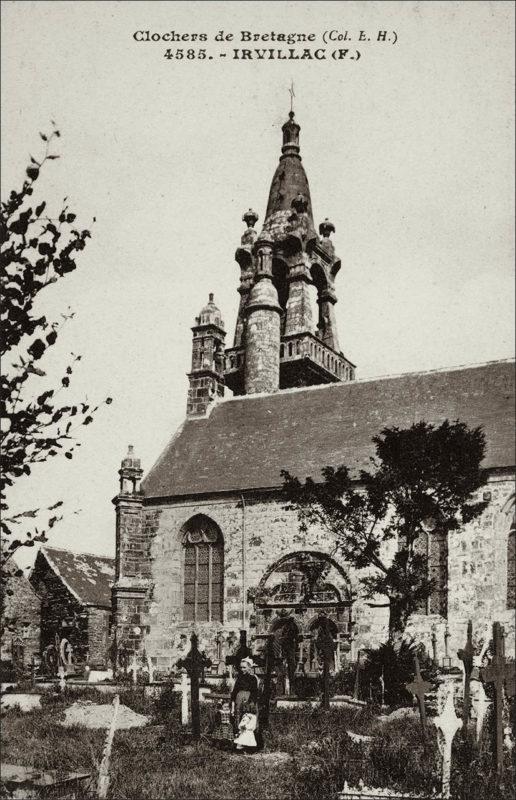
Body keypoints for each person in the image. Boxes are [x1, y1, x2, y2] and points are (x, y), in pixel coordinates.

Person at [230, 657, 259, 733]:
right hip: (239, 700)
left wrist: (250, 702)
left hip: (249, 701)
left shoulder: (253, 678)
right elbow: (235, 691)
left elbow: (255, 692)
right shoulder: (239, 678)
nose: (242, 669)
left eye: (244, 667)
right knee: (238, 718)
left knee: (247, 718)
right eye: (241, 667)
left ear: (249, 667)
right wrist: (233, 703)